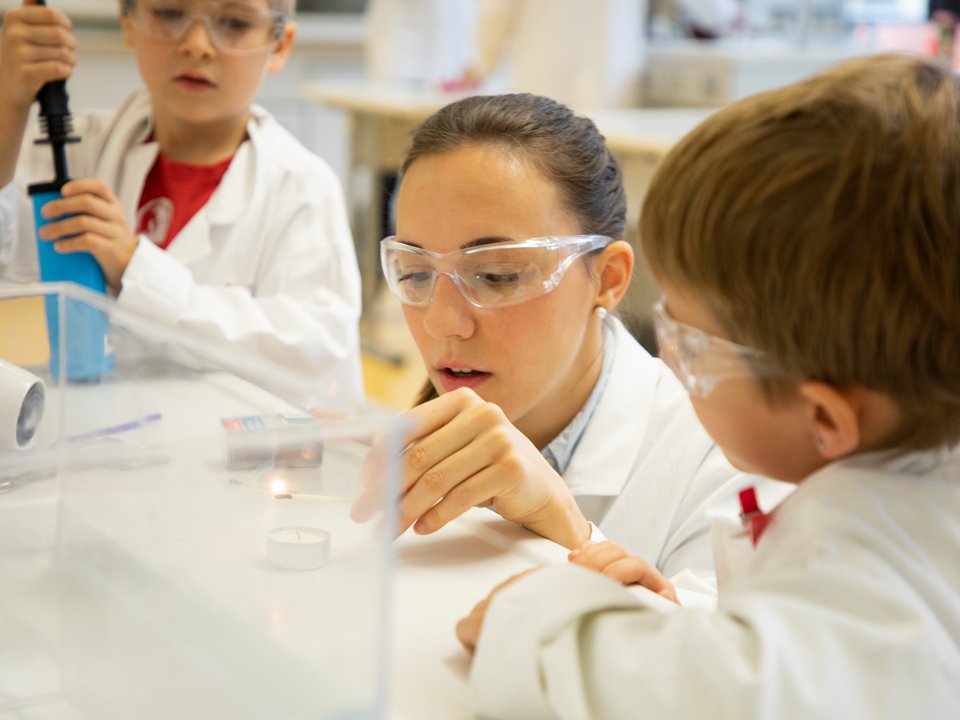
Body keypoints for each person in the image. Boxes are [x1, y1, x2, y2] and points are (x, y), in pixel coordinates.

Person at [455, 53, 960, 718]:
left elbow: (718, 695)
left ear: (826, 419)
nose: (668, 355)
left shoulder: (862, 553)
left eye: (691, 344)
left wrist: (533, 612)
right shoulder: (914, 486)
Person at [351, 92, 739, 583]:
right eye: (416, 274)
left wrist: (569, 531)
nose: (441, 322)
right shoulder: (408, 452)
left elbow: (709, 651)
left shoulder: (717, 465)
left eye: (495, 275)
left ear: (609, 279)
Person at [0, 0, 363, 404]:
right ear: (128, 20)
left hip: (247, 459)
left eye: (234, 22)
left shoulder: (301, 188)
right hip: (106, 441)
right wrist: (8, 104)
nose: (197, 44)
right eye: (169, 13)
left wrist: (135, 268)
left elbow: (307, 355)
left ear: (279, 44)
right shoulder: (77, 153)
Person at [466, 0, 648, 109]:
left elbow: (497, 11)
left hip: (548, 70)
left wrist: (484, 64)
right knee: (604, 164)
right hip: (614, 77)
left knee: (547, 157)